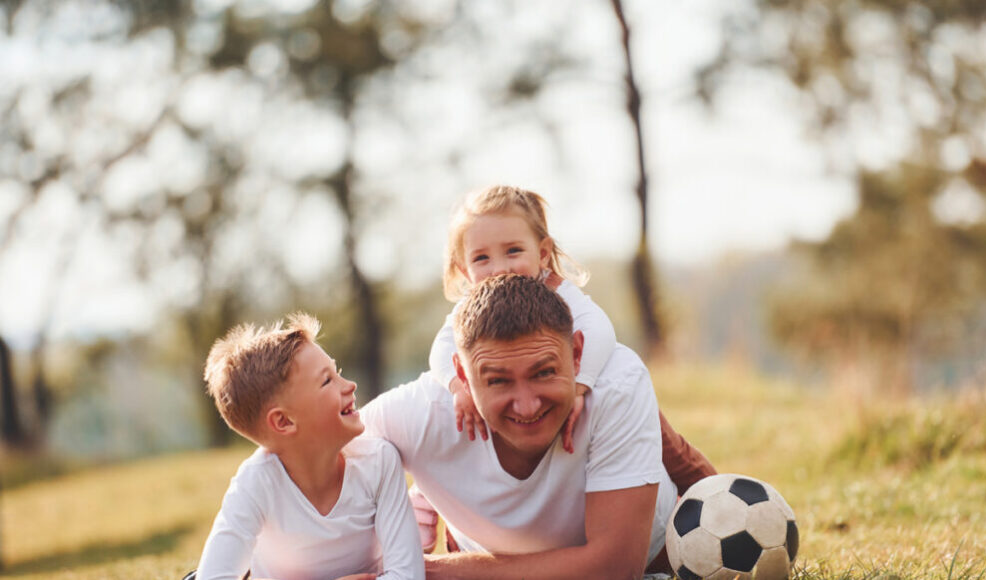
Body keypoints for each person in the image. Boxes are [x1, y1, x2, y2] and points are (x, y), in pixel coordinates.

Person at [362, 274, 712, 578]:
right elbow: (314, 446)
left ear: (577, 354)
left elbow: (614, 570)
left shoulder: (617, 383)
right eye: (498, 381)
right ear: (461, 375)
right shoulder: (418, 413)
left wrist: (423, 571)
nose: (527, 405)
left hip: (654, 563)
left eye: (544, 373)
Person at [429, 185, 714, 481]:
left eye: (513, 251)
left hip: (591, 386)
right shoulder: (471, 309)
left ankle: (716, 492)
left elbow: (599, 331)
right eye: (481, 259)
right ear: (464, 270)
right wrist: (458, 387)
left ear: (542, 253)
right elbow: (441, 348)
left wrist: (579, 387)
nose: (499, 268)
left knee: (666, 446)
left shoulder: (559, 291)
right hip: (526, 399)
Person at [194, 313, 424, 580]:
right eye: (327, 381)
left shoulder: (379, 461)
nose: (349, 385)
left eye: (337, 373)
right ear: (283, 421)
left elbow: (408, 575)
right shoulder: (256, 483)